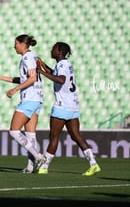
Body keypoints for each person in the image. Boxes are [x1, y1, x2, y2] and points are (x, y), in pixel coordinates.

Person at [36, 42, 100, 176]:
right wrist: (44, 66)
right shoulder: (66, 63)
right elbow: (56, 74)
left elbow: (60, 80)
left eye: (53, 48)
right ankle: (93, 163)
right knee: (76, 136)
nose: (51, 50)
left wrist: (41, 72)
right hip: (73, 105)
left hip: (62, 106)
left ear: (59, 51)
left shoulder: (62, 65)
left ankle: (44, 167)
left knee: (54, 137)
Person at [0, 34, 46, 173]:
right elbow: (24, 79)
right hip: (37, 99)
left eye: (16, 43)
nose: (14, 46)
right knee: (30, 134)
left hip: (29, 99)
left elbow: (31, 78)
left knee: (14, 131)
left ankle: (38, 156)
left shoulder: (27, 58)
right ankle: (31, 167)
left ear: (22, 44)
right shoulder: (31, 56)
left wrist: (15, 90)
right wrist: (1, 77)